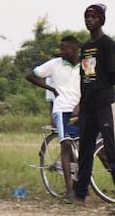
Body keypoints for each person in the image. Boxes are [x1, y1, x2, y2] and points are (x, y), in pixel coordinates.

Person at [69, 4, 115, 204]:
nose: (89, 20)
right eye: (86, 17)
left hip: (103, 104)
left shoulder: (107, 45)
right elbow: (86, 77)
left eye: (93, 17)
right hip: (87, 106)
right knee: (85, 150)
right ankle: (80, 195)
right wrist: (80, 103)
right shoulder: (87, 48)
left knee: (111, 149)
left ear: (101, 20)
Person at [26, 36, 81, 199]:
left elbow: (90, 85)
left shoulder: (85, 64)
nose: (61, 51)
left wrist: (81, 105)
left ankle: (79, 185)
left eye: (65, 49)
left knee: (83, 147)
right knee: (66, 146)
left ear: (74, 49)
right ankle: (70, 190)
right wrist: (51, 88)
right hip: (62, 109)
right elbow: (31, 75)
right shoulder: (54, 64)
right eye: (60, 48)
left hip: (80, 109)